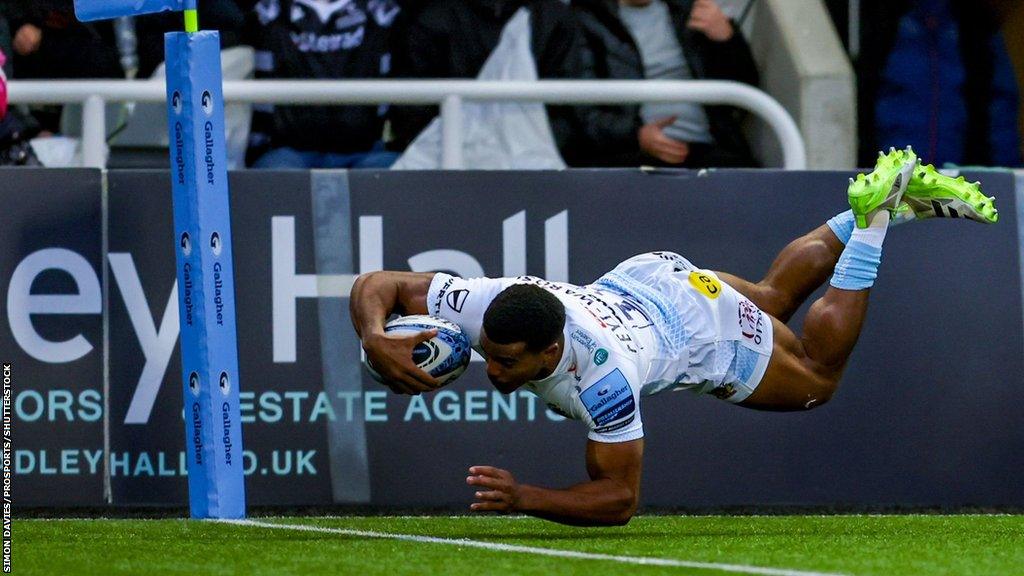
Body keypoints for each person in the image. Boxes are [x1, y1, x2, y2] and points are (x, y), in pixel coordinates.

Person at [349, 146, 998, 526]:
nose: (491, 370)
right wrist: (375, 335)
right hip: (653, 280)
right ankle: (882, 195)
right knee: (773, 298)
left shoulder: (602, 383)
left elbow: (619, 498)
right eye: (491, 354)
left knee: (817, 376)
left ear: (551, 354)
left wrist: (525, 497)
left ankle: (879, 217)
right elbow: (381, 282)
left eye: (508, 363)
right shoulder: (491, 303)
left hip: (702, 332)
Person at [564, 0, 759, 167]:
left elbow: (746, 94)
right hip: (630, 160)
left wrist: (726, 40)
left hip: (711, 152)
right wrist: (636, 138)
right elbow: (580, 111)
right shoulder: (583, 19)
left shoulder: (691, 9)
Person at [245, 0, 400, 169]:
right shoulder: (266, 9)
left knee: (400, 176)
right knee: (277, 180)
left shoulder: (384, 9)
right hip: (282, 151)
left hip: (367, 151)